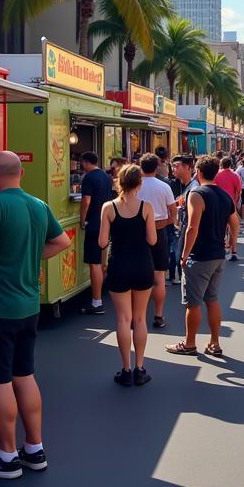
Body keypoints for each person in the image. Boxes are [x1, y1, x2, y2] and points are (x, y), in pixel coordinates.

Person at [0, 152, 70, 479]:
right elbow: (62, 241)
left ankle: (7, 456)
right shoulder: (38, 205)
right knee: (24, 375)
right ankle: (34, 448)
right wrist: (33, 256)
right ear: (20, 173)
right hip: (27, 307)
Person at [167, 157, 240, 358]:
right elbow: (235, 223)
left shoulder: (197, 194)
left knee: (193, 303)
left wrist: (184, 255)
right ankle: (214, 343)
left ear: (198, 172)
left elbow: (192, 227)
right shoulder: (225, 196)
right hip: (218, 255)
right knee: (213, 299)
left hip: (199, 256)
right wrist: (232, 243)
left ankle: (190, 343)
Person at [99, 164, 156, 387]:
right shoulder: (146, 207)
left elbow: (102, 242)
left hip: (119, 264)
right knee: (140, 318)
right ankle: (140, 368)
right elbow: (152, 240)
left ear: (118, 182)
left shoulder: (108, 207)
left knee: (123, 319)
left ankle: (126, 369)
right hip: (142, 263)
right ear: (139, 184)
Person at [138, 154, 179, 329]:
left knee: (138, 274)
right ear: (157, 167)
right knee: (159, 276)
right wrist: (166, 222)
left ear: (140, 167)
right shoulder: (164, 186)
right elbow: (173, 212)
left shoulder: (135, 185)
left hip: (137, 231)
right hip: (159, 230)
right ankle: (158, 314)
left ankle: (138, 315)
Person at [78, 152, 114, 316]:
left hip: (93, 225)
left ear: (85, 162)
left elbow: (86, 201)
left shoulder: (88, 178)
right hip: (105, 223)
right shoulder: (106, 177)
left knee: (94, 263)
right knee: (101, 260)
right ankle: (99, 297)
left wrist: (82, 219)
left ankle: (96, 301)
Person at [214, 157, 243, 261]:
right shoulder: (235, 175)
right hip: (231, 205)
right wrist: (236, 201)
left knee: (220, 228)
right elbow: (239, 191)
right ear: (230, 164)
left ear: (221, 164)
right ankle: (233, 252)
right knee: (233, 229)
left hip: (218, 205)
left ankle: (221, 250)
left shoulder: (216, 175)